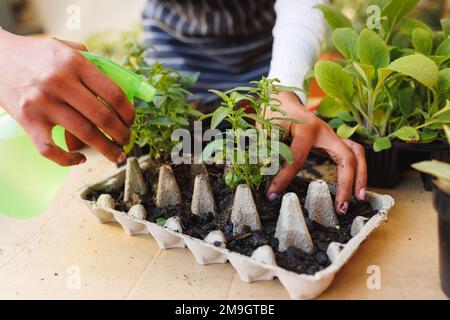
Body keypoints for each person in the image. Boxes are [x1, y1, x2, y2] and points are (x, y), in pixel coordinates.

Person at [0, 0, 366, 214]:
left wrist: (285, 87)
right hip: (173, 51)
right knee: (181, 141)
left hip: (263, 57)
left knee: (264, 144)